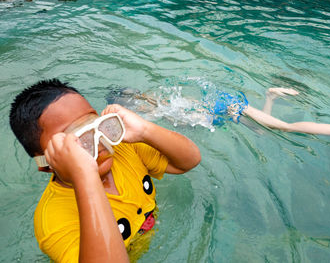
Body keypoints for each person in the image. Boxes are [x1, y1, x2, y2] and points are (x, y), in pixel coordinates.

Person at [9, 79, 201, 263]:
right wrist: (83, 175)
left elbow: (188, 161)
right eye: (78, 140)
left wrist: (144, 131)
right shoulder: (52, 219)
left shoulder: (125, 150)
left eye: (94, 124)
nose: (99, 141)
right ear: (46, 163)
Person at [109, 87, 330, 157]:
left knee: (286, 128)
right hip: (226, 108)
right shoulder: (160, 104)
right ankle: (272, 94)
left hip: (227, 107)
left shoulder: (157, 111)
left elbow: (149, 119)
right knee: (262, 131)